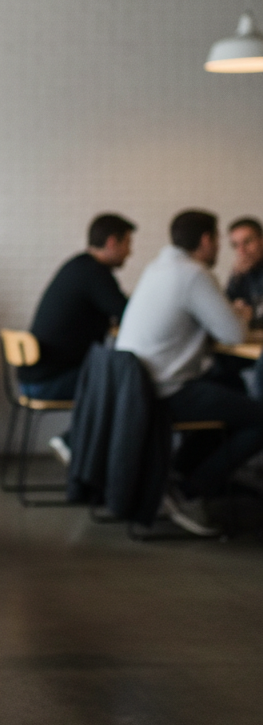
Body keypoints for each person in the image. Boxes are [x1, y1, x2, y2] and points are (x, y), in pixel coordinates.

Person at [116, 210, 260, 536]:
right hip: (168, 388)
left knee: (229, 390)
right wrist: (243, 313)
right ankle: (191, 490)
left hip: (140, 385)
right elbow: (233, 334)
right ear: (207, 240)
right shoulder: (193, 274)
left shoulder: (158, 268)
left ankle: (180, 475)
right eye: (225, 241)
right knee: (255, 415)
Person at [19, 213, 135, 401]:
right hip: (48, 383)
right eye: (128, 244)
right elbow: (129, 314)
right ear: (112, 242)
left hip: (33, 380)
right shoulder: (95, 273)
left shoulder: (78, 265)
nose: (130, 252)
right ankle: (81, 433)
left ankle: (78, 433)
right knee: (129, 381)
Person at [226, 216, 263, 327]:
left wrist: (252, 313)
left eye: (247, 242)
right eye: (235, 245)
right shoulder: (241, 272)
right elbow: (225, 309)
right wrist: (236, 277)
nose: (241, 251)